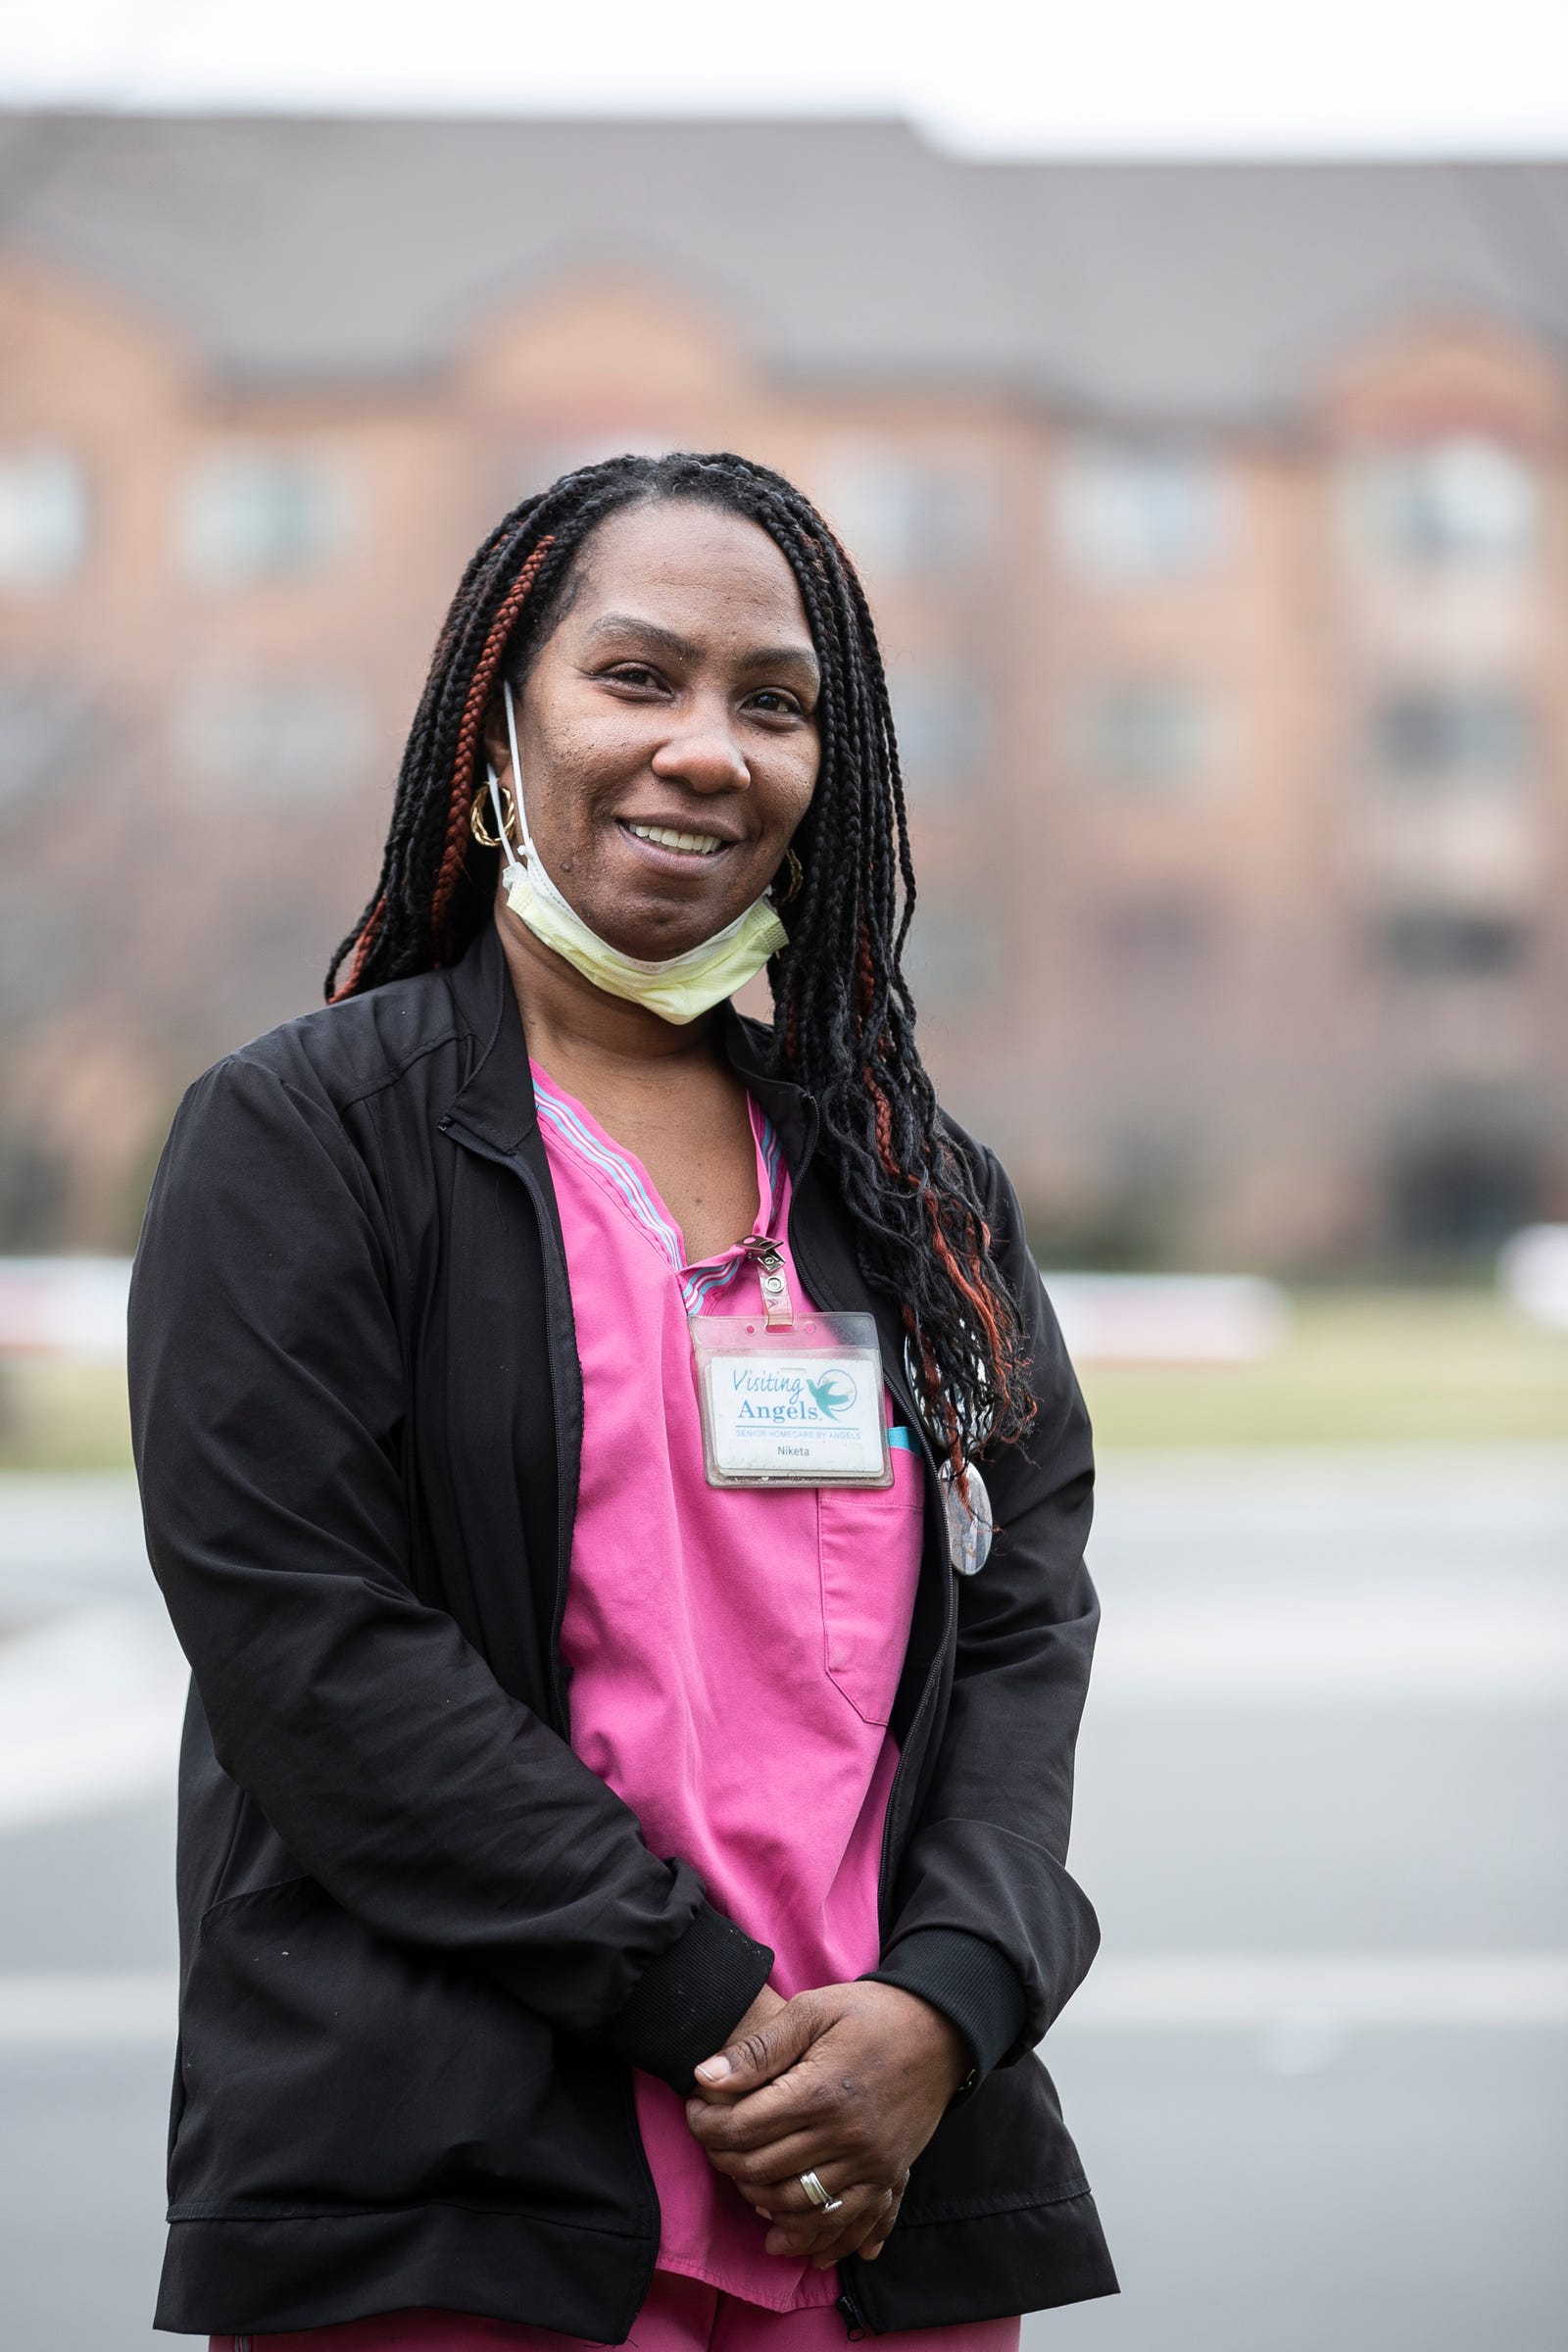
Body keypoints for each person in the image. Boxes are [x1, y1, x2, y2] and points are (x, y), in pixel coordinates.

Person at [129, 451, 1115, 2352]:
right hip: (465, 2210)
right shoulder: (309, 1141)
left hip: (880, 2195)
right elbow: (310, 1650)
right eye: (635, 678)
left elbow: (1023, 1624)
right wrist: (717, 2018)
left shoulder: (903, 1187)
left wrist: (946, 2006)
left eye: (772, 705)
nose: (705, 752)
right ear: (499, 720)